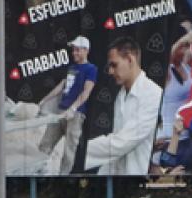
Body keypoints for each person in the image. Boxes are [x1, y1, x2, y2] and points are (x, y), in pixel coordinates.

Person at [84, 37, 162, 175]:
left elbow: (122, 143)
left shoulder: (153, 94)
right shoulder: (121, 94)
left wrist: (78, 152)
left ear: (130, 59)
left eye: (114, 65)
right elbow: (116, 143)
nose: (110, 71)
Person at [38, 35, 97, 174]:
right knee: (45, 144)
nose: (74, 53)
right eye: (73, 50)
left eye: (77, 50)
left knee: (69, 151)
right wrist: (44, 100)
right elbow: (61, 86)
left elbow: (87, 91)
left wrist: (73, 108)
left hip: (75, 115)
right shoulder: (72, 67)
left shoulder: (91, 69)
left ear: (86, 50)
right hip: (60, 112)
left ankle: (62, 178)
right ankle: (38, 174)